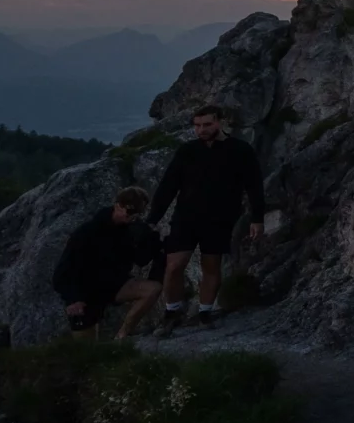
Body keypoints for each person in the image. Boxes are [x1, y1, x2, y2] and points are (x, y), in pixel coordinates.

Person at [147, 103, 265, 333]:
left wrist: (257, 218)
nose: (201, 129)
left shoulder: (240, 150)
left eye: (207, 124)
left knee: (211, 267)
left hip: (220, 219)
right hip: (185, 218)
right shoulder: (187, 151)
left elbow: (254, 187)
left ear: (219, 122)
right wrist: (153, 218)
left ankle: (205, 313)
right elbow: (168, 186)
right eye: (197, 125)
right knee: (173, 267)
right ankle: (172, 313)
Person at [52, 187, 166, 339]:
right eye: (130, 212)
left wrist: (152, 239)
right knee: (86, 348)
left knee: (152, 289)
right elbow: (62, 272)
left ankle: (122, 336)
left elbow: (141, 260)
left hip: (114, 285)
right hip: (86, 291)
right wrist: (73, 299)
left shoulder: (130, 231)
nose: (133, 217)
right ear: (118, 205)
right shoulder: (87, 232)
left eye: (138, 214)